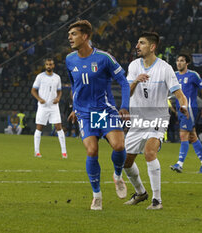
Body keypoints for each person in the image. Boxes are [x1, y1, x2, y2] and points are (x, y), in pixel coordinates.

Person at [65, 20, 130, 210]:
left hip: (104, 110)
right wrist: (74, 108)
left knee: (118, 146)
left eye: (74, 34)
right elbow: (74, 86)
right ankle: (97, 195)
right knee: (92, 151)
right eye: (69, 34)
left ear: (85, 37)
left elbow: (124, 83)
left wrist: (124, 107)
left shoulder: (104, 58)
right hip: (85, 113)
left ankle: (117, 176)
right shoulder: (69, 59)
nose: (70, 37)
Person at [123, 32, 189, 210]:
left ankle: (157, 200)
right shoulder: (134, 66)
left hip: (157, 118)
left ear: (152, 47)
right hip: (138, 120)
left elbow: (179, 94)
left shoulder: (165, 68)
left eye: (141, 43)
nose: (137, 46)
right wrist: (136, 81)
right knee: (125, 161)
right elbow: (126, 93)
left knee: (149, 152)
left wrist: (184, 106)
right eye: (137, 42)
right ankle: (140, 193)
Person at [170, 54, 202, 173]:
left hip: (190, 109)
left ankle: (179, 164)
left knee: (183, 135)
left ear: (187, 63)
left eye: (182, 61)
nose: (179, 63)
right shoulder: (174, 75)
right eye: (177, 60)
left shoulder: (193, 75)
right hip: (180, 109)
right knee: (193, 137)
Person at [31, 58, 67, 159]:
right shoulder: (40, 77)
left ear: (53, 65)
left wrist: (58, 98)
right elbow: (33, 90)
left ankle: (64, 152)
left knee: (59, 128)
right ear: (45, 66)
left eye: (50, 64)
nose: (48, 66)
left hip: (54, 106)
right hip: (43, 106)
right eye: (47, 64)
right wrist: (39, 99)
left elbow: (59, 91)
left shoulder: (57, 78)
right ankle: (37, 151)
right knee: (39, 128)